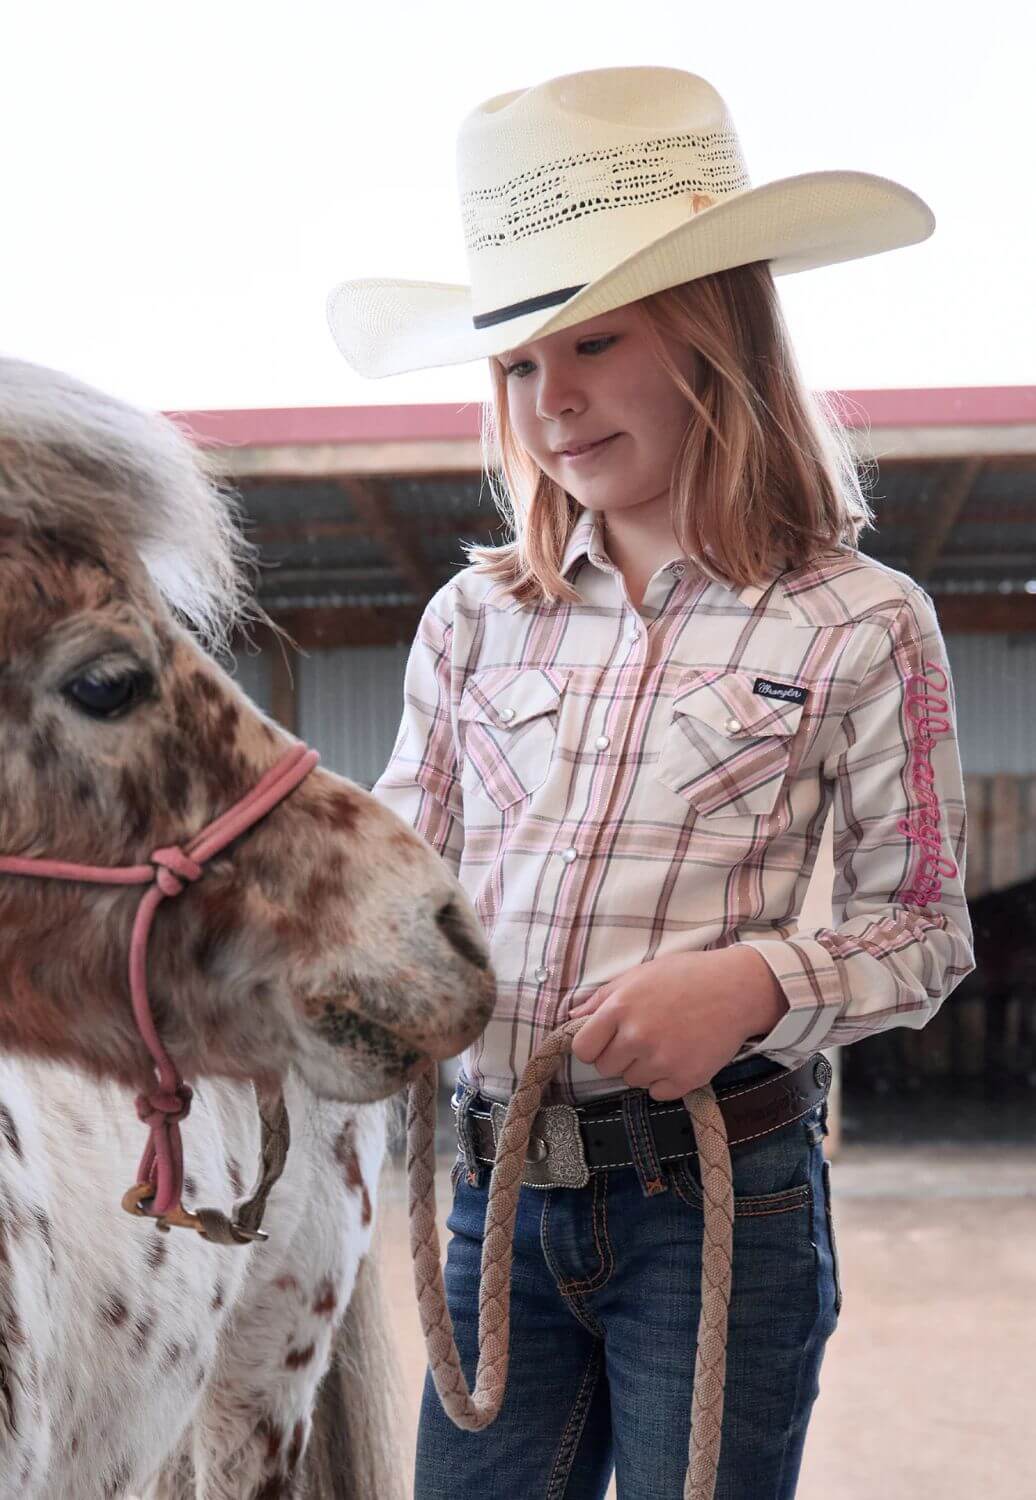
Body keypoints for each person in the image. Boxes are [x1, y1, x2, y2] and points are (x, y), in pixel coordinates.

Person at [326, 65, 975, 1500]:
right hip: (494, 1194)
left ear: (713, 336)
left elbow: (925, 926)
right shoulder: (472, 620)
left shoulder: (858, 623)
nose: (550, 403)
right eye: (516, 366)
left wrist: (749, 986)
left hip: (716, 1202)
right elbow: (392, 883)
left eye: (595, 345)